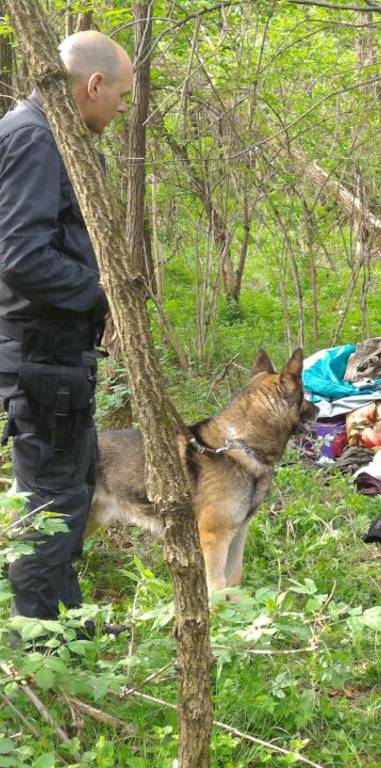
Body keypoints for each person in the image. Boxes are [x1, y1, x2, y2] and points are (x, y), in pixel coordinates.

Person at [0, 31, 132, 623]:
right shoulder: (34, 138)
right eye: (122, 95)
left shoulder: (47, 134)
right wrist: (104, 295)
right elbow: (22, 257)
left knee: (70, 487)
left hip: (52, 353)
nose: (124, 108)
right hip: (40, 353)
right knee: (52, 498)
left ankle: (65, 626)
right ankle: (43, 642)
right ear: (94, 85)